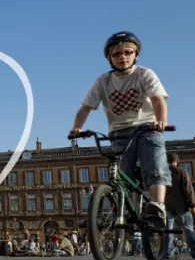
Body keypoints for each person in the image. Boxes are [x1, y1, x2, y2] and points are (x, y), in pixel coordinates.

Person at [71, 31, 171, 228]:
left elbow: (158, 100)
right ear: (109, 58)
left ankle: (157, 205)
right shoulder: (103, 81)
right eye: (116, 54)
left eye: (127, 52)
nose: (122, 56)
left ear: (135, 54)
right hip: (118, 131)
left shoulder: (145, 74)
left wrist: (161, 121)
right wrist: (77, 128)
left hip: (147, 127)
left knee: (154, 162)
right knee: (121, 174)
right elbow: (85, 108)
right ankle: (123, 210)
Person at [165, 152, 195, 260]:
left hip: (167, 205)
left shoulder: (163, 173)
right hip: (181, 206)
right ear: (177, 161)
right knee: (189, 229)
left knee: (168, 230)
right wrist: (193, 204)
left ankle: (168, 252)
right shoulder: (181, 172)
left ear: (166, 161)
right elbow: (188, 190)